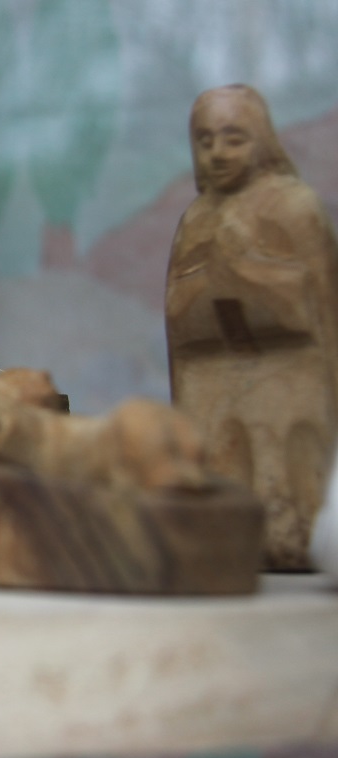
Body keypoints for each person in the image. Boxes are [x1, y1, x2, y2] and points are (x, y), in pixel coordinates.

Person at [166, 84, 338, 568]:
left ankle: (295, 535)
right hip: (211, 370)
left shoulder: (294, 207)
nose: (218, 153)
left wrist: (243, 269)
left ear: (261, 140)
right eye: (205, 141)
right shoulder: (196, 219)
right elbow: (177, 311)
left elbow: (319, 303)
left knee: (286, 447)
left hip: (291, 370)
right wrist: (207, 281)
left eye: (234, 138)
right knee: (217, 446)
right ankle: (222, 538)